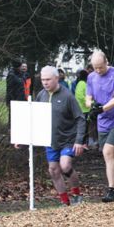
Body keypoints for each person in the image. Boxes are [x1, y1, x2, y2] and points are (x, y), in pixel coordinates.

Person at [35, 66, 87, 206]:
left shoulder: (67, 96)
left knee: (65, 165)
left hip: (68, 139)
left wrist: (79, 140)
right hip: (51, 139)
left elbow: (80, 118)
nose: (45, 83)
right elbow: (34, 117)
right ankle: (65, 201)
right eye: (42, 80)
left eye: (48, 80)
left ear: (56, 78)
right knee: (53, 170)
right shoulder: (41, 95)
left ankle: (77, 195)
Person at [86, 51, 114, 202]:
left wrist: (102, 108)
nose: (98, 70)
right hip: (102, 121)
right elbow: (87, 99)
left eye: (101, 67)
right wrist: (92, 105)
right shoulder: (91, 77)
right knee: (112, 156)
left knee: (108, 151)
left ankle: (110, 189)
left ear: (106, 62)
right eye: (95, 68)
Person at [5, 60, 26, 129]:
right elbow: (9, 89)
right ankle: (11, 131)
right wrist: (12, 101)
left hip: (21, 99)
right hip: (14, 100)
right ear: (18, 67)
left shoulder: (20, 74)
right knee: (13, 117)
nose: (22, 68)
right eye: (21, 66)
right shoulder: (11, 75)